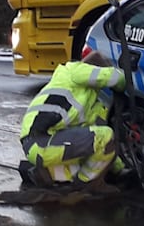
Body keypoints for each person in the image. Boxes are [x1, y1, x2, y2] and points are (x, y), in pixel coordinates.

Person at [19, 51, 125, 187]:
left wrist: (118, 169)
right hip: (40, 142)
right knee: (104, 136)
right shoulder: (73, 70)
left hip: (42, 144)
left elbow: (103, 145)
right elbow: (116, 78)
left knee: (92, 152)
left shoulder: (88, 100)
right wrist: (126, 84)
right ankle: (86, 184)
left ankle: (46, 173)